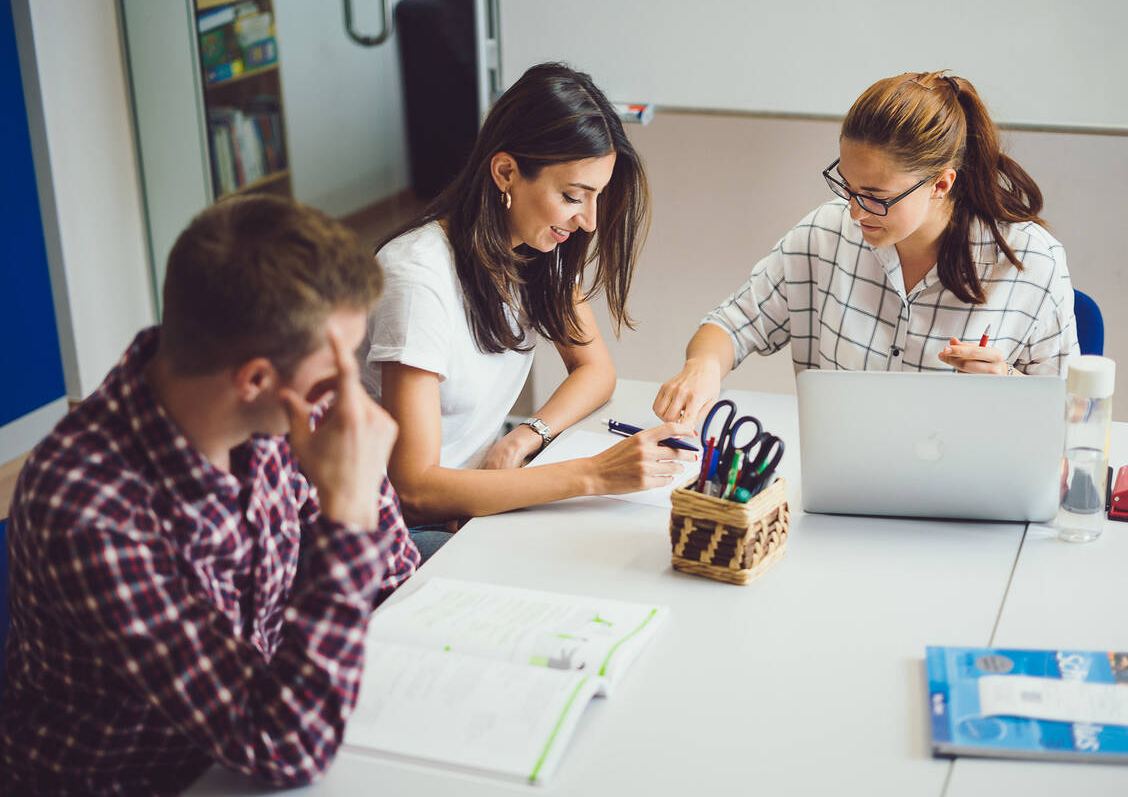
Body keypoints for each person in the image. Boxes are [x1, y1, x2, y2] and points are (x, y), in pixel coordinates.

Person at [0, 195, 419, 794]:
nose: (349, 394)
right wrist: (347, 516)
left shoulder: (281, 409)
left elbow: (394, 584)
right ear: (254, 380)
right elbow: (281, 747)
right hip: (150, 781)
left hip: (261, 737)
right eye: (335, 374)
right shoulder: (89, 509)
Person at [359, 62, 693, 557]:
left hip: (477, 496)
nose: (588, 221)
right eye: (573, 197)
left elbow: (596, 370)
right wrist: (594, 474)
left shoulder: (539, 251)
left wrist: (527, 436)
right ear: (506, 172)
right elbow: (415, 491)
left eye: (596, 197)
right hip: (398, 528)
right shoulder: (417, 277)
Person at [653, 71, 1080, 424]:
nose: (856, 212)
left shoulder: (1032, 262)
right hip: (840, 485)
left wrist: (1006, 384)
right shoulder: (825, 234)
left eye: (876, 196)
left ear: (941, 184)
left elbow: (1070, 417)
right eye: (847, 186)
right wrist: (702, 368)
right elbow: (732, 326)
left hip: (967, 492)